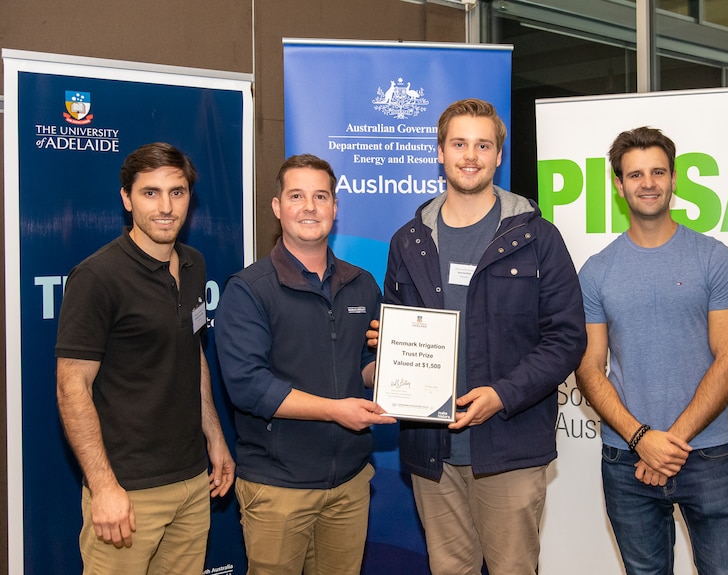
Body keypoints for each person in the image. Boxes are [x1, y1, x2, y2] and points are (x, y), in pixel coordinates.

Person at [368, 98, 587, 575]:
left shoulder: (537, 237)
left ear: (498, 155)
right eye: (459, 144)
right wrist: (388, 346)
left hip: (508, 445)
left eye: (482, 145)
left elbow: (566, 338)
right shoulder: (409, 240)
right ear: (440, 153)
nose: (471, 155)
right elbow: (398, 325)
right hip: (433, 451)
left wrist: (501, 395)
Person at [575, 126, 728, 574]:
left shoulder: (716, 259)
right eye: (635, 174)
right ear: (619, 185)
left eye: (658, 172)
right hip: (625, 459)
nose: (648, 183)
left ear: (675, 178)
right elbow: (589, 369)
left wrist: (670, 443)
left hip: (707, 456)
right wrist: (642, 440)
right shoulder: (596, 272)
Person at [55, 142, 235, 575]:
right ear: (126, 198)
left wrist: (213, 433)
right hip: (128, 491)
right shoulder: (97, 277)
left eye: (177, 192)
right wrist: (103, 487)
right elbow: (71, 385)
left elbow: (192, 351)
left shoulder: (193, 264)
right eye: (150, 193)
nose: (166, 207)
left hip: (193, 484)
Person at [214, 154, 396, 575]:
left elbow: (366, 366)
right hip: (278, 488)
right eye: (296, 196)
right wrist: (336, 410)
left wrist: (392, 364)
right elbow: (247, 386)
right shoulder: (249, 290)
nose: (310, 207)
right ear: (277, 207)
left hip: (349, 484)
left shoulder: (362, 283)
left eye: (320, 196)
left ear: (335, 207)